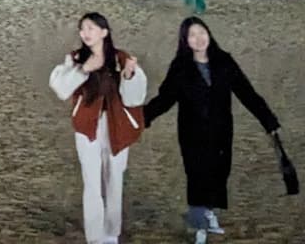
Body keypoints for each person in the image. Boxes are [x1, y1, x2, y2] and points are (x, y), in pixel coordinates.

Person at [144, 17, 281, 243]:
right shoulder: (180, 67)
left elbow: (247, 93)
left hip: (221, 129)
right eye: (192, 35)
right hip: (192, 132)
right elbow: (165, 99)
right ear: (185, 41)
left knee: (219, 172)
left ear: (209, 33)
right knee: (197, 174)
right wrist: (141, 118)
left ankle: (209, 214)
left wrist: (268, 121)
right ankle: (199, 226)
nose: (199, 38)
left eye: (202, 32)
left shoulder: (223, 61)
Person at [49, 12, 147, 244]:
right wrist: (83, 70)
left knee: (114, 179)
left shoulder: (121, 58)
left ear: (104, 32)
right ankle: (95, 237)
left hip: (117, 125)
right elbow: (60, 88)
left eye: (91, 28)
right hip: (87, 127)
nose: (85, 33)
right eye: (83, 28)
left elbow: (134, 99)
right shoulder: (75, 58)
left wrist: (130, 75)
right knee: (91, 182)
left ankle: (112, 233)